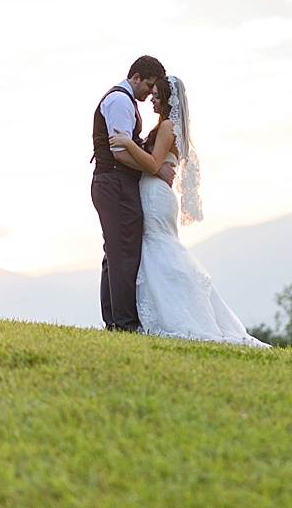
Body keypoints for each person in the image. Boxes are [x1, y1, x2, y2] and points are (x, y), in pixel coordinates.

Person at [109, 75, 269, 348]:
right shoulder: (166, 126)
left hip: (155, 194)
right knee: (155, 247)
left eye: (158, 95)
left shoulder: (169, 126)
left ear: (170, 99)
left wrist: (128, 143)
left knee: (160, 247)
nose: (153, 100)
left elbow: (152, 163)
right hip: (154, 192)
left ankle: (177, 314)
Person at [90, 55, 171, 333]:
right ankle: (123, 323)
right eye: (149, 85)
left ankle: (114, 319)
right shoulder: (120, 101)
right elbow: (120, 153)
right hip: (115, 182)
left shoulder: (124, 100)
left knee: (115, 252)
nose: (150, 93)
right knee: (124, 251)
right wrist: (154, 169)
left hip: (112, 182)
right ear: (136, 77)